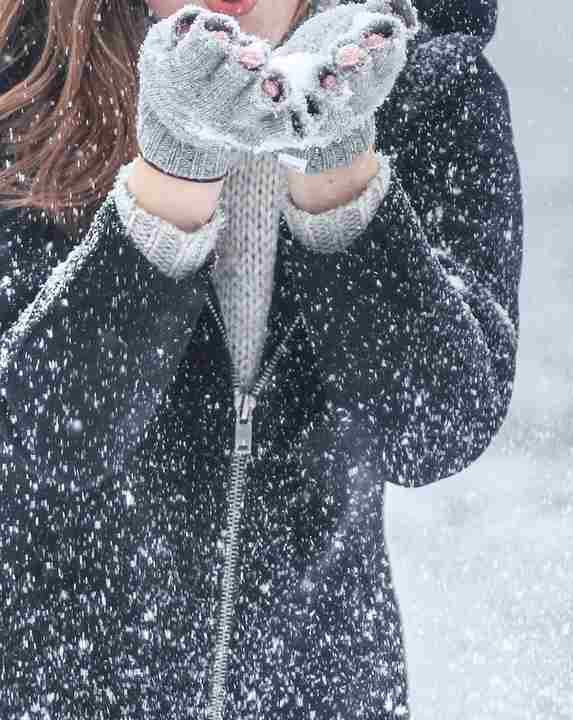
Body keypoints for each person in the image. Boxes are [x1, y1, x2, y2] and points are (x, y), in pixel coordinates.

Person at [0, 0, 522, 716]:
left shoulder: (431, 87)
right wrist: (173, 178)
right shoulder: (23, 81)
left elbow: (435, 431)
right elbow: (35, 444)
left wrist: (340, 170)